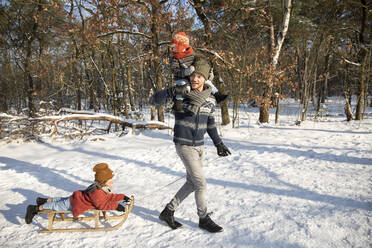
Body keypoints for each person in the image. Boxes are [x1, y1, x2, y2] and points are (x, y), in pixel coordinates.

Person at [150, 57, 231, 233]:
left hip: (199, 146)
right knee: (201, 184)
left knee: (192, 183)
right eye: (193, 75)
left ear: (206, 79)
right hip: (184, 145)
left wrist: (219, 143)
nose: (195, 79)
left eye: (199, 76)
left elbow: (210, 122)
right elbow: (154, 100)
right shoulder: (182, 93)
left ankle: (168, 211)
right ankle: (203, 218)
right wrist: (172, 90)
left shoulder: (210, 99)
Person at [25, 163, 131, 224]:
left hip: (76, 198)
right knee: (57, 206)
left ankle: (44, 200)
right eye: (110, 180)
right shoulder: (98, 192)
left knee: (62, 200)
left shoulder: (100, 187)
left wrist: (122, 197)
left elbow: (110, 197)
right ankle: (35, 208)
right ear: (103, 181)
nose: (112, 181)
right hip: (75, 203)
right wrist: (116, 206)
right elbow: (101, 205)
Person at [170, 32, 228, 112]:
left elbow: (200, 60)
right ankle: (177, 103)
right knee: (183, 87)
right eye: (172, 47)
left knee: (208, 82)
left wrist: (207, 71)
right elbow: (174, 71)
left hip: (193, 75)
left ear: (182, 46)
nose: (173, 49)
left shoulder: (192, 54)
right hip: (181, 77)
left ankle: (217, 95)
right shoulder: (175, 59)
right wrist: (185, 72)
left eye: (175, 47)